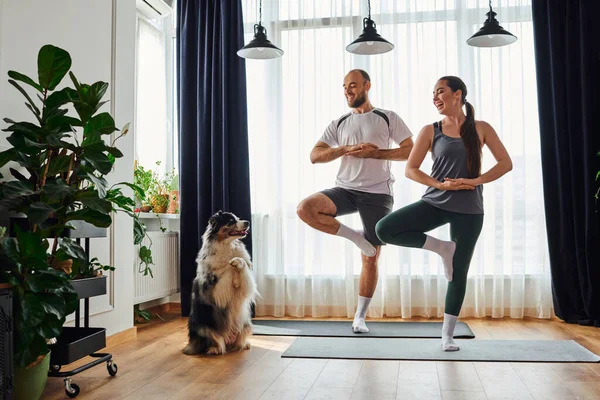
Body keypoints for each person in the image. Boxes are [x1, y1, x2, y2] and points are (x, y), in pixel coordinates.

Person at [375, 76, 512, 351]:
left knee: (457, 273)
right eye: (433, 93)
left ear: (457, 94)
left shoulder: (481, 128)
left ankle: (447, 336)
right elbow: (410, 169)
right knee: (384, 229)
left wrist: (474, 182)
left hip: (470, 208)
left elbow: (505, 163)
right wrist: (440, 184)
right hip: (436, 201)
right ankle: (441, 248)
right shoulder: (430, 130)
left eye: (440, 91)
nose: (435, 97)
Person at [296, 69, 414, 333]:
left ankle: (359, 317)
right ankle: (355, 237)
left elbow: (409, 151)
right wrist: (345, 149)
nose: (348, 91)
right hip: (345, 190)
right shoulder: (339, 123)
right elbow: (315, 156)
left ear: (367, 86)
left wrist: (376, 154)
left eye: (353, 85)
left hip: (377, 193)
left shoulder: (387, 117)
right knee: (306, 208)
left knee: (370, 257)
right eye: (344, 86)